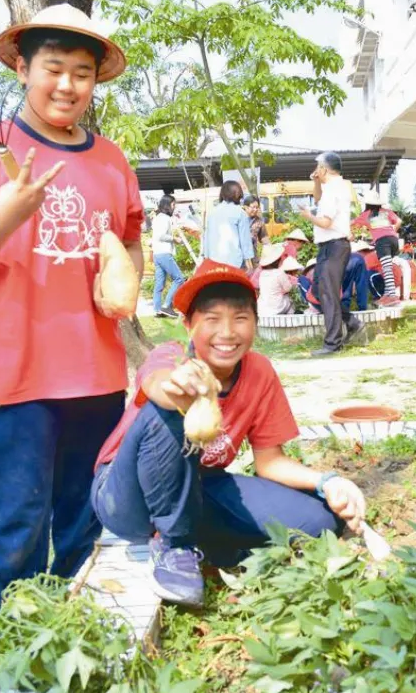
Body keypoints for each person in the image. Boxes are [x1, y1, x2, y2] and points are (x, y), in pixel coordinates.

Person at [0, 4, 143, 661]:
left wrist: (124, 279)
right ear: (23, 67)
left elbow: (130, 240)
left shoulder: (111, 159)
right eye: (54, 68)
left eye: (83, 73)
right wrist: (5, 217)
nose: (68, 85)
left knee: (87, 520)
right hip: (17, 377)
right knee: (20, 526)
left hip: (99, 374)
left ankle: (76, 641)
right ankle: (14, 653)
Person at [90, 259, 367, 606]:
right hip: (126, 497)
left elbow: (270, 461)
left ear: (254, 322)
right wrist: (181, 387)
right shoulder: (172, 358)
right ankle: (175, 546)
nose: (227, 332)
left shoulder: (259, 372)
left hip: (198, 488)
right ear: (189, 324)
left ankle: (208, 544)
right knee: (169, 410)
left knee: (320, 521)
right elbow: (156, 383)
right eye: (211, 319)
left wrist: (328, 482)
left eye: (240, 318)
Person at [300, 152, 361, 355]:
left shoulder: (335, 189)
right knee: (319, 290)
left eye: (318, 167)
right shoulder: (335, 187)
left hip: (334, 245)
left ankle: (332, 343)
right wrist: (317, 182)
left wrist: (308, 216)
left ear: (324, 169)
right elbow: (318, 198)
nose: (316, 170)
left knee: (327, 293)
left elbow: (325, 222)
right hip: (331, 246)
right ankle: (351, 322)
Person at [352, 189, 402, 306]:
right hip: (394, 241)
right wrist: (392, 232)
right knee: (386, 267)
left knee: (387, 269)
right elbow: (399, 221)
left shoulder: (366, 214)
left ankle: (392, 296)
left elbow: (352, 223)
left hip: (382, 243)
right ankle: (386, 294)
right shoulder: (386, 211)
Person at [202, 181, 253, 270]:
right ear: (237, 194)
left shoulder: (212, 212)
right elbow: (245, 240)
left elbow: (207, 237)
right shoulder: (240, 212)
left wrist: (206, 257)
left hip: (214, 262)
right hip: (234, 262)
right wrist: (249, 261)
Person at [151, 195, 186, 318]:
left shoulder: (157, 218)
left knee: (159, 283)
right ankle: (167, 306)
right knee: (179, 278)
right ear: (167, 205)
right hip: (164, 253)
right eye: (173, 205)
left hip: (157, 253)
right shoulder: (164, 218)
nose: (174, 207)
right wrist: (174, 239)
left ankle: (157, 310)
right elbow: (161, 235)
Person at [255, 243, 296, 316]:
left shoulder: (262, 274)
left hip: (262, 309)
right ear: (277, 260)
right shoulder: (279, 273)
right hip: (276, 308)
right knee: (290, 301)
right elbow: (288, 288)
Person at [244, 195, 265, 262]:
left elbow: (264, 239)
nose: (255, 210)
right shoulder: (239, 219)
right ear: (246, 207)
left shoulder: (259, 221)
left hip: (253, 257)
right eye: (253, 207)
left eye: (257, 207)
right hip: (240, 258)